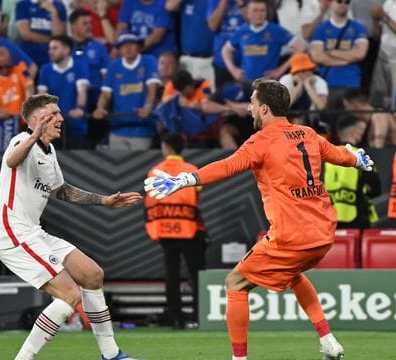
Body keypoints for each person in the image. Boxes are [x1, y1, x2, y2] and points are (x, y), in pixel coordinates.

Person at [144, 78, 375, 360]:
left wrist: (188, 179)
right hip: (323, 234)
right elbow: (340, 155)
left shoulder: (260, 142)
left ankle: (238, 359)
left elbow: (227, 166)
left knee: (235, 283)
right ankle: (328, 341)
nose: (249, 108)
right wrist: (358, 159)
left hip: (291, 236)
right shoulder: (308, 134)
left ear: (264, 108)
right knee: (293, 275)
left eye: (252, 103)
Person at [0, 93, 141, 360]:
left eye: (59, 113)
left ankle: (110, 354)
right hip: (13, 233)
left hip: (33, 231)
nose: (61, 118)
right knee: (69, 295)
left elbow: (62, 191)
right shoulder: (21, 141)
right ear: (37, 120)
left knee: (92, 274)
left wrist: (104, 200)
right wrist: (33, 135)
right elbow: (11, 160)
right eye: (54, 114)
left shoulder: (49, 152)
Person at [144, 132, 206, 329]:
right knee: (196, 274)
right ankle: (200, 316)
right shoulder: (191, 170)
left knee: (171, 276)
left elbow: (150, 202)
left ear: (165, 147)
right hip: (189, 230)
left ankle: (175, 317)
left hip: (165, 231)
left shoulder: (154, 172)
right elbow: (197, 200)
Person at [92, 32, 160, 150]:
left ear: (138, 46)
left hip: (142, 129)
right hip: (118, 128)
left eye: (131, 44)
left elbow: (152, 88)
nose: (127, 48)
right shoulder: (114, 66)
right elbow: (105, 94)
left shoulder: (149, 61)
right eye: (123, 45)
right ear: (119, 49)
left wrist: (148, 107)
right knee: (115, 166)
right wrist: (100, 107)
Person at [323, 115, 381, 229]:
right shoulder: (361, 156)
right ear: (356, 130)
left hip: (330, 219)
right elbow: (375, 189)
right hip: (357, 218)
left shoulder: (327, 157)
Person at [309, 0, 369, 109]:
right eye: (339, 1)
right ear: (331, 3)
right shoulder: (321, 28)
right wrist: (348, 59)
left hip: (351, 81)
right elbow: (317, 57)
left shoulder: (359, 28)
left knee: (350, 122)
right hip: (327, 82)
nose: (343, 4)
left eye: (347, 2)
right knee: (327, 120)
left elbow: (360, 54)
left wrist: (332, 52)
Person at [0, 47, 34, 150]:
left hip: (22, 133)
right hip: (0, 135)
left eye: (8, 66)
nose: (4, 70)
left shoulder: (19, 70)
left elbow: (29, 87)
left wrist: (27, 109)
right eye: (0, 67)